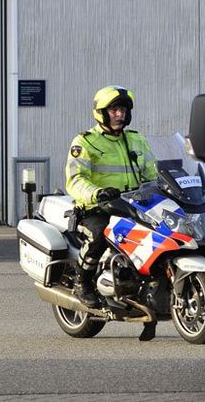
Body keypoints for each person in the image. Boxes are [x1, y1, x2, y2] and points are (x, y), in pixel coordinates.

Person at [65, 86, 158, 317]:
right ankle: (82, 282)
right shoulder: (86, 142)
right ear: (102, 113)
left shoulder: (136, 140)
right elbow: (75, 179)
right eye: (115, 110)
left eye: (123, 110)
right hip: (98, 207)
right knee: (99, 235)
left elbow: (153, 173)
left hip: (132, 205)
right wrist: (97, 193)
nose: (120, 114)